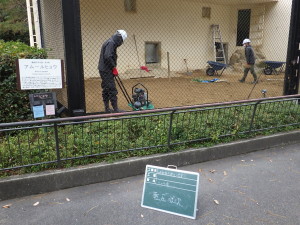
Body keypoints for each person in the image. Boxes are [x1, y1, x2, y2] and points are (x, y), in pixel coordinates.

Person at [98, 30, 127, 113]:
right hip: (106, 70)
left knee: (106, 89)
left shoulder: (110, 41)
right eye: (122, 41)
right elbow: (108, 56)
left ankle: (107, 108)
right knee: (112, 89)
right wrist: (113, 67)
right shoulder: (111, 43)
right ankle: (116, 109)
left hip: (104, 69)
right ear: (120, 39)